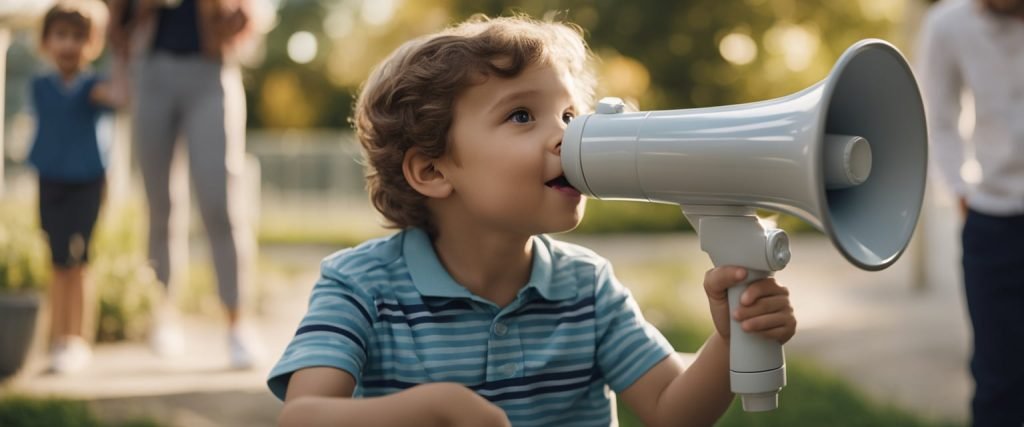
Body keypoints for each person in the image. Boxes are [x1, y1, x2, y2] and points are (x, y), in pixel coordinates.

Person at [267, 15, 797, 426]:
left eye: (570, 115)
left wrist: (730, 339)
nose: (566, 136)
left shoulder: (586, 287)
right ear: (432, 169)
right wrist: (438, 410)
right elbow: (304, 416)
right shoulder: (360, 285)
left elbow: (670, 409)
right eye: (522, 115)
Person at [106, 0, 260, 368]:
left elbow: (251, 20)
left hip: (211, 72)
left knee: (219, 202)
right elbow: (114, 26)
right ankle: (164, 316)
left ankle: (237, 323)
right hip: (151, 71)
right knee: (160, 204)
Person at [917, 0, 1024, 425]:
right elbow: (939, 120)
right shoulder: (947, 23)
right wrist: (960, 193)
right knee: (998, 379)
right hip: (992, 222)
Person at [28, 0, 128, 374]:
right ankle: (55, 339)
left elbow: (120, 97)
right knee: (56, 261)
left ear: (92, 43)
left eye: (77, 37)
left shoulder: (95, 88)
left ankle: (76, 339)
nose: (68, 45)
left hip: (87, 182)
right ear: (46, 41)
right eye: (61, 35)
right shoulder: (40, 86)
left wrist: (121, 56)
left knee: (80, 260)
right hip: (50, 180)